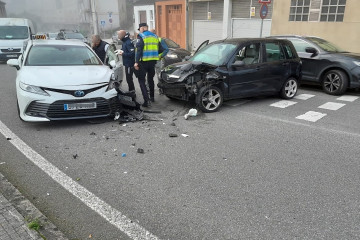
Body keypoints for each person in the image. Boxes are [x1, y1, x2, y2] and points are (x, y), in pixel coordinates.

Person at [134, 23, 160, 107]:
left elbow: (139, 50)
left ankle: (146, 101)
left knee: (141, 80)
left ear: (142, 28)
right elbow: (160, 48)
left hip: (144, 61)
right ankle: (152, 97)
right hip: (152, 61)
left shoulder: (141, 36)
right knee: (150, 79)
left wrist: (136, 62)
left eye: (140, 28)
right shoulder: (155, 36)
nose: (140, 30)